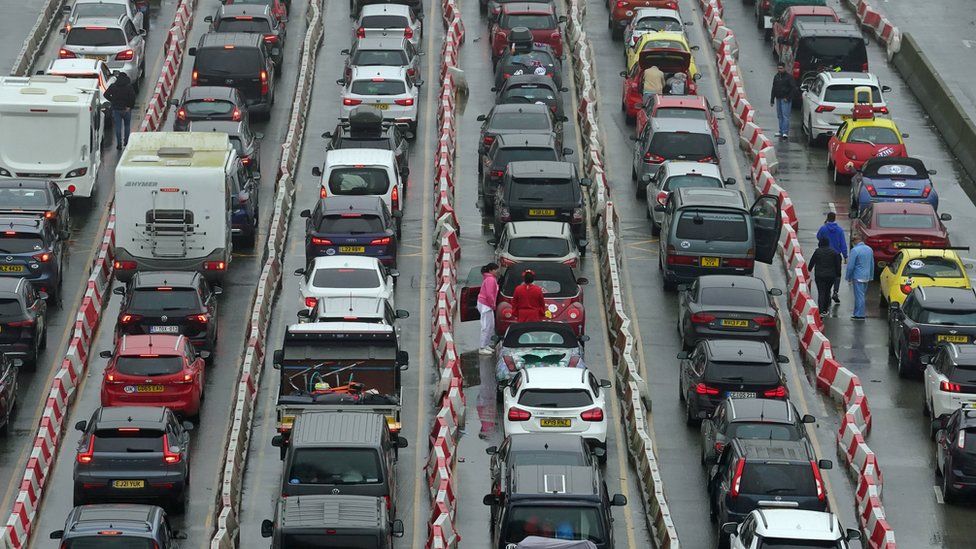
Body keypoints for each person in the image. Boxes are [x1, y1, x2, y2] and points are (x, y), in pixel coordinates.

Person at [816, 212, 848, 303]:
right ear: (835, 218)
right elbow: (843, 243)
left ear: (827, 218)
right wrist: (845, 256)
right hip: (836, 255)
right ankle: (835, 292)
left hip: (825, 254)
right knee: (837, 274)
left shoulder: (823, 228)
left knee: (827, 273)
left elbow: (818, 237)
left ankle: (827, 292)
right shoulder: (839, 230)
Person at [808, 237, 842, 315]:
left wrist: (809, 269)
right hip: (831, 276)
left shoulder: (817, 251)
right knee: (827, 292)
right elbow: (838, 265)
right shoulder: (834, 252)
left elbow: (812, 262)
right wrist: (838, 275)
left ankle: (820, 310)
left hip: (819, 276)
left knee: (821, 292)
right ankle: (825, 310)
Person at [103, 72, 136, 150]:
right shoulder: (129, 87)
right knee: (127, 126)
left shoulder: (113, 86)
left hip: (116, 109)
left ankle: (119, 144)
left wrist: (112, 101)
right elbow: (133, 97)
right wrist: (129, 106)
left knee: (118, 127)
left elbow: (105, 94)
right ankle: (126, 142)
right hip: (126, 109)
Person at [845, 234, 874, 320]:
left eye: (853, 241)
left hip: (858, 276)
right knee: (862, 295)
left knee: (859, 296)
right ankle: (857, 313)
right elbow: (872, 264)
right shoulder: (869, 249)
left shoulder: (855, 250)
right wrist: (871, 275)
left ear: (856, 241)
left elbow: (850, 266)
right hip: (866, 276)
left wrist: (848, 277)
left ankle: (859, 314)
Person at [477, 262, 499, 354]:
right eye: (495, 270)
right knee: (486, 326)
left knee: (490, 326)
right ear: (490, 270)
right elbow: (489, 294)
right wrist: (492, 304)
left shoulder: (491, 279)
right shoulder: (490, 279)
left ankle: (486, 344)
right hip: (486, 305)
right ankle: (482, 347)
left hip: (487, 304)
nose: (497, 271)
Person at [769, 62, 796, 139]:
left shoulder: (789, 77)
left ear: (784, 68)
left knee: (785, 116)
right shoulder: (776, 76)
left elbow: (793, 88)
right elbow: (774, 88)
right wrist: (772, 100)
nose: (779, 70)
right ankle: (781, 131)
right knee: (779, 115)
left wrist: (788, 98)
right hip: (778, 98)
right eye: (778, 68)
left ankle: (785, 132)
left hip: (785, 100)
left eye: (781, 68)